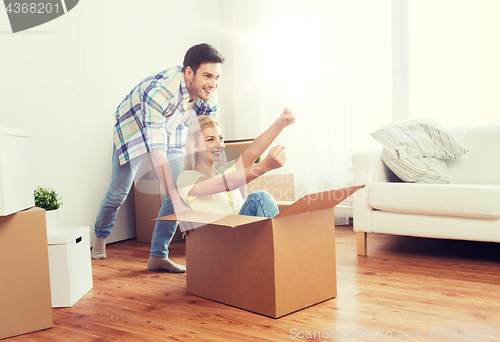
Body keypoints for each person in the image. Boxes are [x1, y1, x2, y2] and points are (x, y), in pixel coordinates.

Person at [92, 43, 225, 273]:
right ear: (189, 72)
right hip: (132, 127)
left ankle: (157, 256)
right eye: (207, 75)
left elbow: (210, 136)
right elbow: (157, 152)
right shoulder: (161, 91)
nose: (213, 83)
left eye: (216, 77)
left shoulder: (208, 95)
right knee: (119, 192)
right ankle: (99, 240)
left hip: (171, 127)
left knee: (181, 188)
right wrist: (178, 203)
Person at [176, 107, 295, 220]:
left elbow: (253, 151)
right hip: (222, 236)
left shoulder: (226, 171)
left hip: (243, 231)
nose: (219, 144)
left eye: (221, 139)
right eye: (211, 139)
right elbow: (223, 184)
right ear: (194, 146)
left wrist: (281, 123)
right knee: (260, 198)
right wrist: (266, 165)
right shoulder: (186, 179)